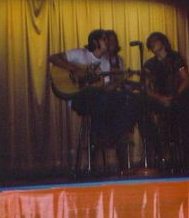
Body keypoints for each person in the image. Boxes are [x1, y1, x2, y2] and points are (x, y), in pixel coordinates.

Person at [49, 29, 138, 176]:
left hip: (99, 102)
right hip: (79, 99)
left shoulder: (105, 63)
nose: (108, 42)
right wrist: (75, 69)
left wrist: (121, 79)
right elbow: (53, 58)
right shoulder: (80, 53)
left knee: (123, 98)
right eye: (105, 39)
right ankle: (105, 138)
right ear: (95, 42)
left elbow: (107, 88)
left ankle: (107, 139)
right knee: (100, 97)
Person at [143, 32, 189, 174]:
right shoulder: (149, 64)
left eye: (155, 41)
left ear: (162, 42)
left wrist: (174, 96)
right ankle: (163, 157)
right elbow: (146, 88)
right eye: (150, 42)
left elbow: (186, 79)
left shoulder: (176, 58)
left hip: (177, 98)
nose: (153, 44)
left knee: (184, 115)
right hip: (159, 101)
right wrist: (160, 98)